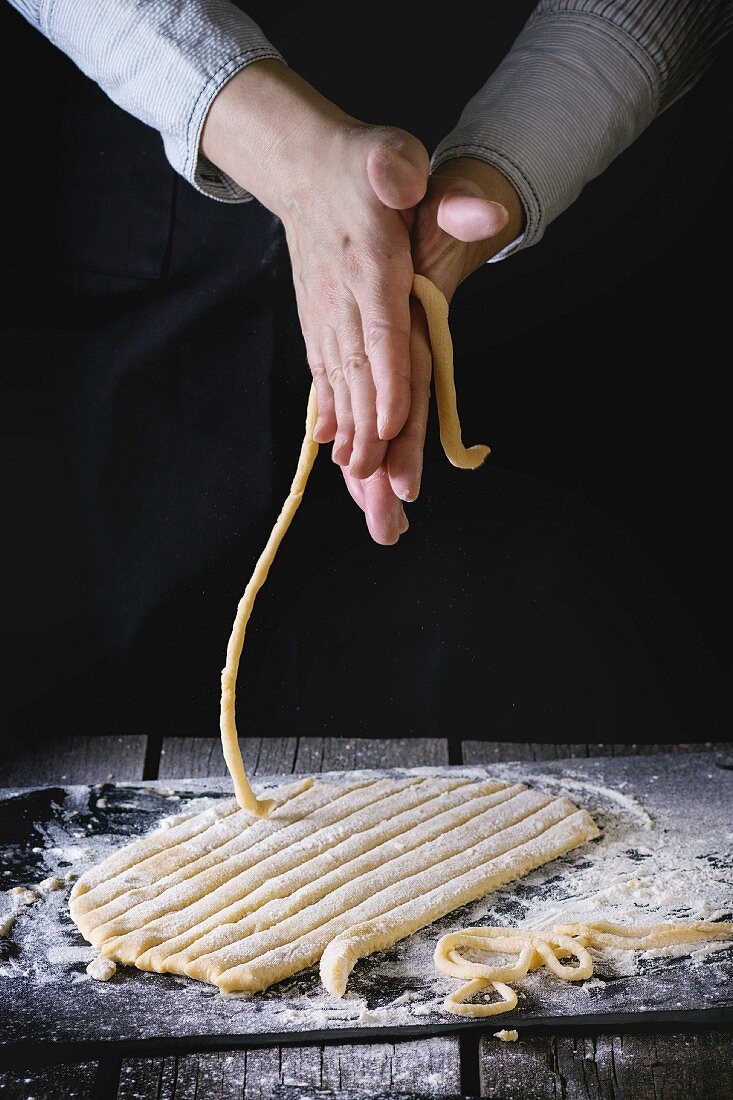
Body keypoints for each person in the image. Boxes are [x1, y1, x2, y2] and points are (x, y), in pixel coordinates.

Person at [4, 0, 731, 741]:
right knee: (164, 684)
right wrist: (293, 155)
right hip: (163, 207)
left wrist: (501, 170)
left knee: (555, 663)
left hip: (576, 221)